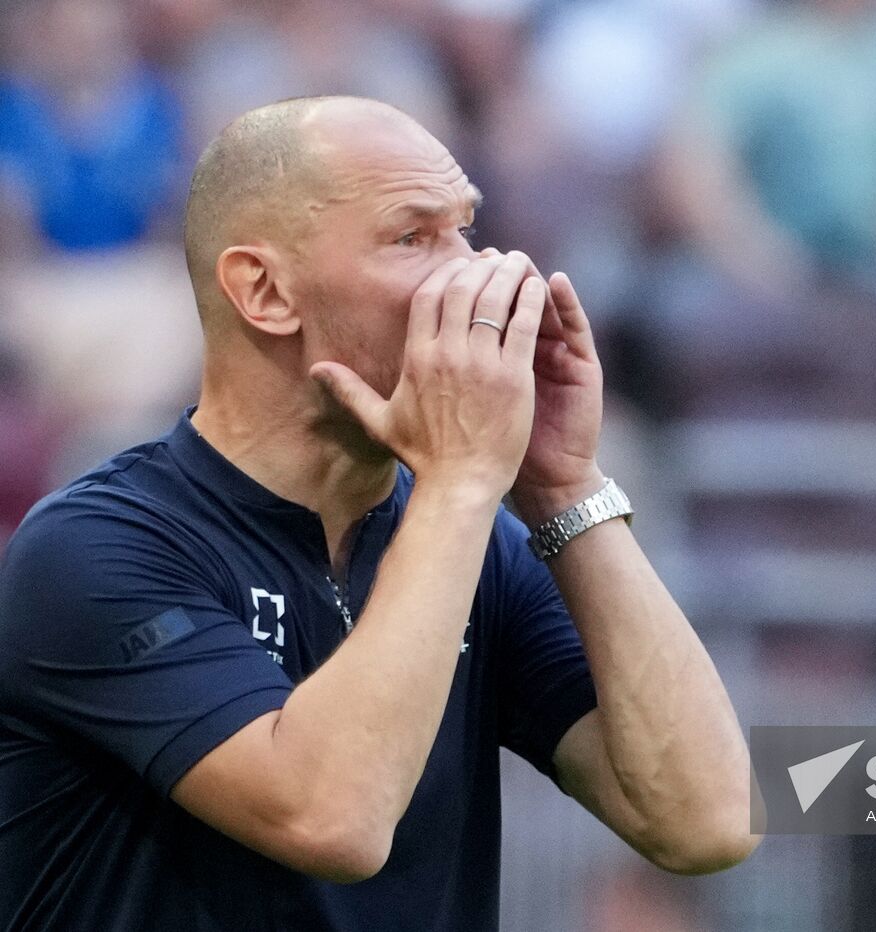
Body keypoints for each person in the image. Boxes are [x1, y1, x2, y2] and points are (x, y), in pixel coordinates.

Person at [0, 96, 757, 931]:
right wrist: (465, 481)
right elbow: (332, 818)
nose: (476, 274)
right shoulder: (94, 549)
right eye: (412, 237)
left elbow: (708, 819)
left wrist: (561, 486)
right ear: (265, 291)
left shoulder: (480, 546)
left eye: (466, 229)